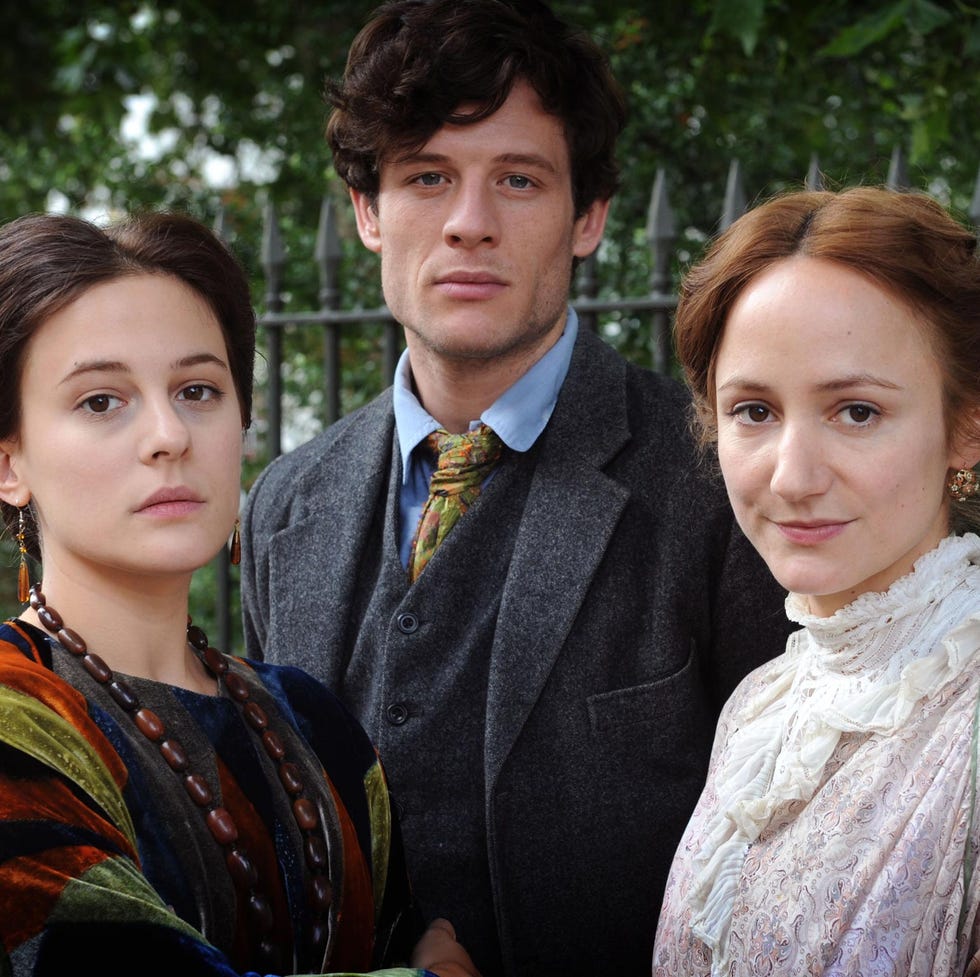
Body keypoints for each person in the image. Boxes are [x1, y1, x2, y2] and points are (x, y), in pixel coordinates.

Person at [240, 1, 791, 974]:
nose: (468, 223)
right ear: (367, 212)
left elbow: (784, 852)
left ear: (588, 218)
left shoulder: (716, 478)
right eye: (425, 177)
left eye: (517, 179)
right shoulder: (283, 503)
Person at [0, 211, 480, 977]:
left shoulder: (316, 726)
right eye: (101, 400)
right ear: (8, 461)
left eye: (197, 390)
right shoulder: (16, 721)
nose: (169, 434)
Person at [652, 186, 980, 975]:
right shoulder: (757, 706)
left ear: (966, 426)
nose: (793, 477)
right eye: (754, 411)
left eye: (857, 412)